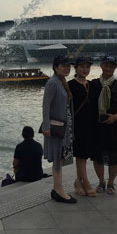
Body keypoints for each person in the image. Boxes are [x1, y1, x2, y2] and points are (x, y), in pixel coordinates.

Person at [91, 55, 117, 195]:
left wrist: (115, 117)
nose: (108, 68)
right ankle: (101, 181)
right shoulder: (94, 84)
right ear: (101, 66)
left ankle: (111, 183)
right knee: (98, 155)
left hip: (114, 126)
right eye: (106, 65)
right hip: (98, 126)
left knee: (114, 156)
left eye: (111, 66)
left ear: (114, 68)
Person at [42, 55, 76, 203]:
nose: (66, 68)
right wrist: (46, 126)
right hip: (56, 127)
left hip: (64, 127)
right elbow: (46, 105)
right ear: (55, 67)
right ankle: (58, 189)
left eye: (68, 66)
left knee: (60, 157)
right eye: (63, 65)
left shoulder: (62, 81)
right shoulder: (52, 83)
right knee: (58, 157)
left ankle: (57, 189)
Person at [68, 56, 97, 197]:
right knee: (80, 154)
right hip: (77, 125)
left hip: (90, 124)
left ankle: (78, 182)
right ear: (76, 68)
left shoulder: (91, 85)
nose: (85, 69)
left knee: (84, 155)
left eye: (87, 67)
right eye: (82, 66)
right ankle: (86, 182)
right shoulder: (70, 85)